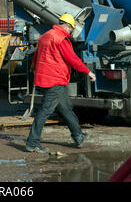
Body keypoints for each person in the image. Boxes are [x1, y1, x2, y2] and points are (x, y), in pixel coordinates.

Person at [26, 13, 96, 153]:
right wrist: (87, 72)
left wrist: (35, 69)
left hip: (46, 79)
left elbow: (35, 56)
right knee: (45, 111)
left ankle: (79, 137)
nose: (70, 31)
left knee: (66, 108)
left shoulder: (45, 36)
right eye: (71, 28)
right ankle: (32, 143)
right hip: (55, 80)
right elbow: (72, 59)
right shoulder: (61, 39)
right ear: (68, 26)